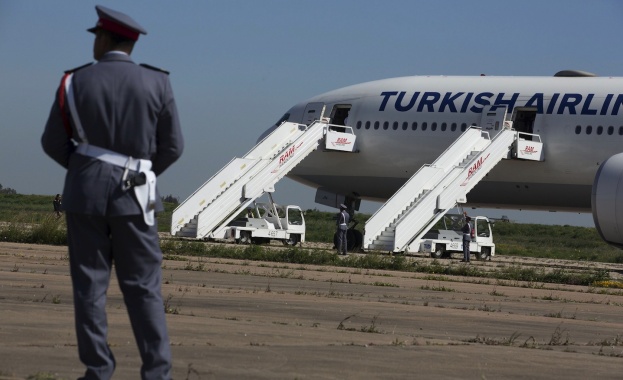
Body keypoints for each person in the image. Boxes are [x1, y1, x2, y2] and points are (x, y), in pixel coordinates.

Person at [41, 5, 183, 379]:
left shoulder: (73, 82)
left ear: (105, 38)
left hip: (84, 195)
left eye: (96, 36)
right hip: (134, 197)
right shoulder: (158, 83)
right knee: (144, 288)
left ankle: (98, 370)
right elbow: (172, 147)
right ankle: (157, 372)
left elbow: (53, 141)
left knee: (89, 286)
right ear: (131, 45)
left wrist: (86, 170)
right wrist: (141, 174)